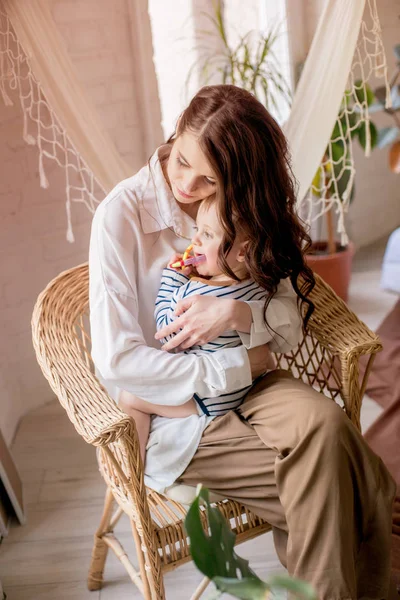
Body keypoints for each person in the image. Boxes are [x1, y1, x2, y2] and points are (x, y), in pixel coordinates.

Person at [89, 84, 396, 598]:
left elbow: (288, 312)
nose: (189, 184)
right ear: (177, 129)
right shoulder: (119, 217)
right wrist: (237, 366)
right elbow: (118, 359)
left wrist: (236, 313)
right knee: (353, 482)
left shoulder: (238, 200)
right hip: (179, 411)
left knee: (326, 423)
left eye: (210, 177)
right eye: (183, 160)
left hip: (258, 382)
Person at [119, 195, 284, 458]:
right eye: (197, 230)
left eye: (207, 234)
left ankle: (132, 468)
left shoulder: (193, 292)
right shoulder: (259, 287)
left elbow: (165, 327)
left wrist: (172, 279)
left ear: (242, 251)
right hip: (246, 389)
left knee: (129, 398)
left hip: (208, 400)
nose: (194, 242)